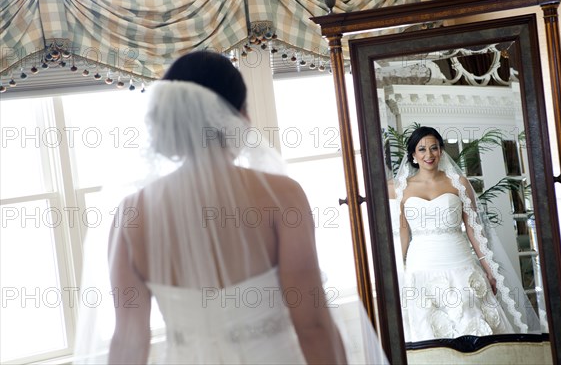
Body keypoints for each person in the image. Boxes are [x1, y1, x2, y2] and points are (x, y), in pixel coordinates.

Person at [74, 51, 387, 364]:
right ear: (237, 115)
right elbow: (313, 324)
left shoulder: (130, 216)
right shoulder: (281, 196)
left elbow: (129, 341)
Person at [394, 126, 540, 342]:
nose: (429, 154)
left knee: (471, 323)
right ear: (413, 155)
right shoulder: (401, 188)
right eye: (422, 149)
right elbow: (403, 232)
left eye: (434, 148)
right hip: (420, 266)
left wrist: (489, 270)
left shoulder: (458, 183)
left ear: (441, 151)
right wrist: (402, 271)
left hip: (459, 261)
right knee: (428, 328)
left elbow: (473, 229)